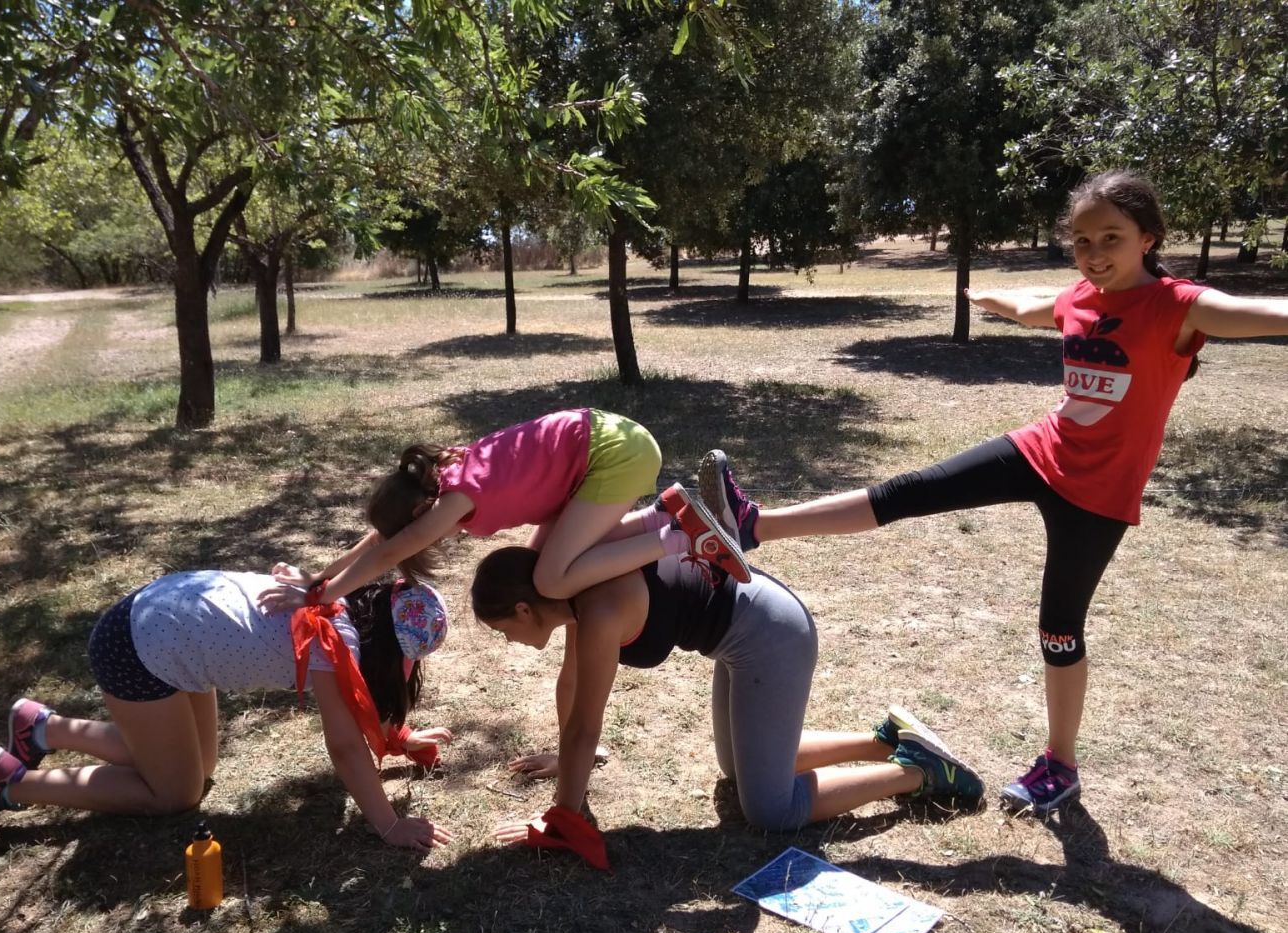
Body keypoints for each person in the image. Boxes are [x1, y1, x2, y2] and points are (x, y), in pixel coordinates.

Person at [697, 169, 1288, 816]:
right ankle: (753, 525)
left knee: (1058, 630)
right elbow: (1035, 307)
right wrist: (989, 297)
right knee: (908, 491)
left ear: (1147, 238)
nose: (1093, 253)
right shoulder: (1079, 297)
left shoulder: (1180, 305)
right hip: (1041, 451)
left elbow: (1267, 315)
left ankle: (1059, 764)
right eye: (1082, 240)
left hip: (1098, 493)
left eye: (1110, 238)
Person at [470, 519, 983, 868]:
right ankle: (885, 742)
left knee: (771, 810)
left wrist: (561, 819)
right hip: (746, 633)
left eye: (501, 630)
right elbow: (572, 684)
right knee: (737, 770)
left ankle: (919, 771)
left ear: (523, 610)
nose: (507, 640)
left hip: (771, 636)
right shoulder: (573, 589)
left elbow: (587, 726)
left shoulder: (597, 610)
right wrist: (566, 762)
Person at [0, 570, 454, 850]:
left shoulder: (339, 598)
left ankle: (43, 728)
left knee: (198, 766)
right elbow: (344, 746)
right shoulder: (332, 644)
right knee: (176, 793)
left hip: (166, 629)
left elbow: (359, 706)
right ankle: (9, 784)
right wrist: (388, 824)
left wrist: (398, 738)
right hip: (137, 650)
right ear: (387, 652)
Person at [258, 409, 748, 616]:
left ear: (422, 511)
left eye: (422, 531)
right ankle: (665, 515)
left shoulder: (454, 498)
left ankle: (684, 537)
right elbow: (384, 541)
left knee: (552, 580)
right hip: (608, 442)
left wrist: (319, 599)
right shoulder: (441, 478)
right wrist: (318, 578)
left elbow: (392, 550)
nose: (430, 538)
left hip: (614, 455)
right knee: (541, 567)